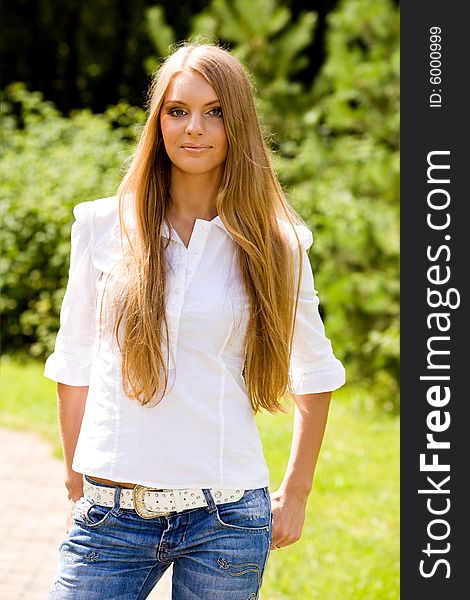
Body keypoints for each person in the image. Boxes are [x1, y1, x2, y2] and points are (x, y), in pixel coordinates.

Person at [44, 42, 345, 599]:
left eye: (215, 112)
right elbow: (74, 360)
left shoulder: (277, 246)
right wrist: (72, 485)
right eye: (178, 111)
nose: (194, 128)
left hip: (226, 521)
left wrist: (296, 493)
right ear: (158, 121)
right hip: (110, 516)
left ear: (239, 125)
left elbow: (316, 372)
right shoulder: (100, 226)